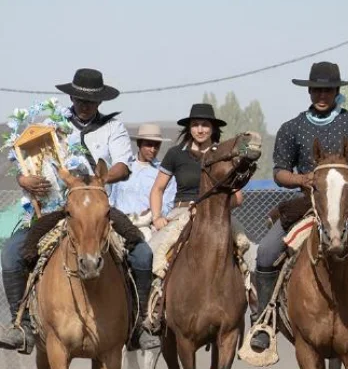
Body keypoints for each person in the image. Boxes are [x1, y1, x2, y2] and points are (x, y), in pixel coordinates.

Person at [248, 62, 348, 353]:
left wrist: (344, 177)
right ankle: (264, 322)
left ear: (337, 91)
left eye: (328, 89)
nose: (322, 95)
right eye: (317, 89)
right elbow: (279, 172)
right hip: (308, 201)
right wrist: (303, 178)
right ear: (309, 91)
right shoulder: (292, 127)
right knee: (265, 251)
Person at [0, 68, 155, 353]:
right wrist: (24, 179)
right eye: (80, 99)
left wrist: (100, 182)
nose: (85, 105)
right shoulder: (51, 125)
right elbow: (28, 161)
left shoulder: (113, 128)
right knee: (10, 254)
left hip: (98, 209)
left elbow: (123, 164)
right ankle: (20, 325)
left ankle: (139, 326)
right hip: (52, 210)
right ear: (71, 97)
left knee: (143, 254)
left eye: (91, 101)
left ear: (100, 102)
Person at [148, 103, 243, 258]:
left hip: (217, 214)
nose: (200, 130)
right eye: (195, 125)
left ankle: (248, 282)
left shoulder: (224, 155)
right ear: (189, 128)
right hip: (181, 212)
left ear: (213, 128)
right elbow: (157, 189)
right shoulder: (176, 153)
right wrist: (157, 217)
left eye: (205, 125)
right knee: (150, 253)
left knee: (250, 252)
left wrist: (216, 206)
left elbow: (238, 197)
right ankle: (155, 283)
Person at [109, 123, 176, 239]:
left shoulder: (164, 173)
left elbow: (168, 203)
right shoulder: (122, 168)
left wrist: (154, 214)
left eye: (156, 146)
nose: (153, 150)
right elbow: (111, 196)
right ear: (139, 144)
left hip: (147, 225)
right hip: (118, 223)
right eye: (149, 145)